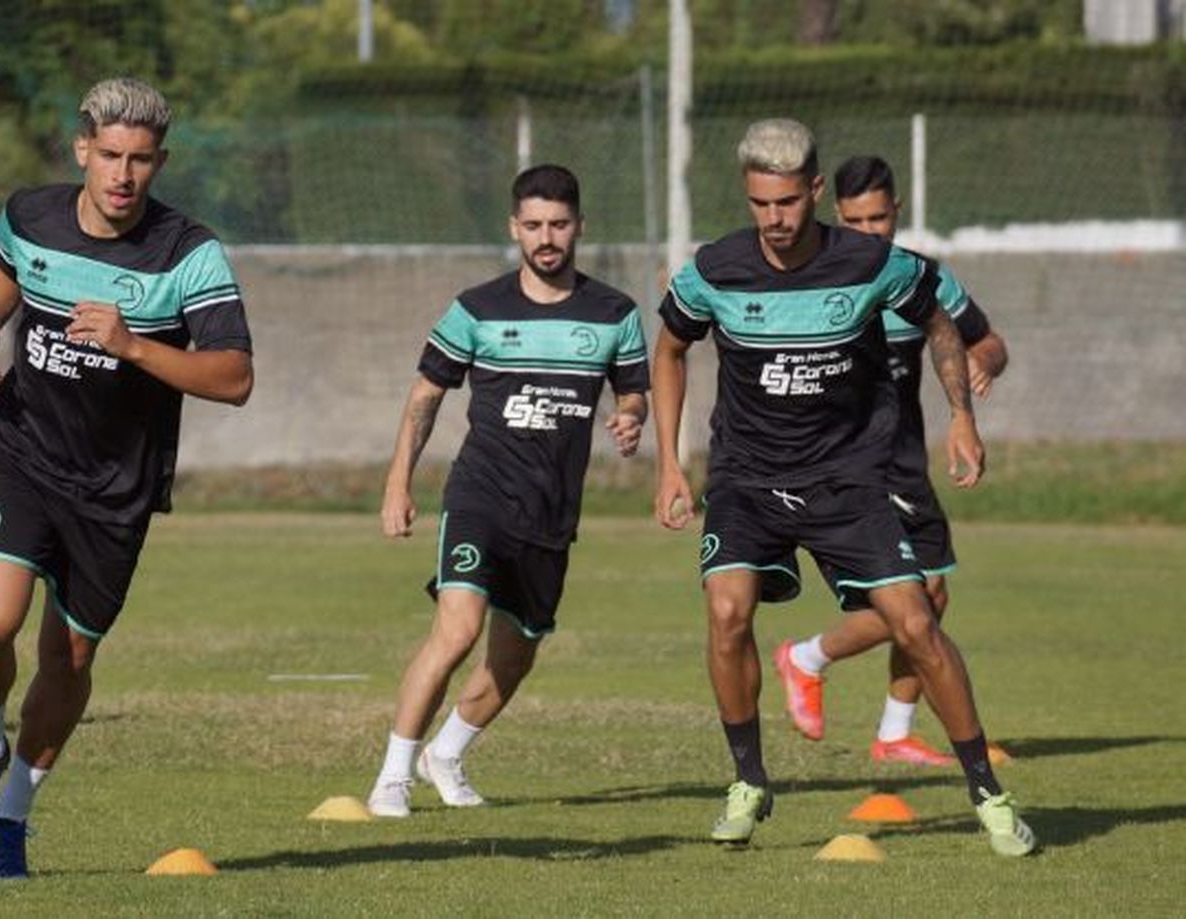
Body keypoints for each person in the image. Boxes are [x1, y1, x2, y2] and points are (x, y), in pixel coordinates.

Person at [651, 119, 1035, 856]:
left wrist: (961, 415)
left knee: (918, 623)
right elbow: (670, 347)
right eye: (762, 204)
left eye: (790, 202)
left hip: (848, 477)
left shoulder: (871, 262)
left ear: (815, 191)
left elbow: (940, 320)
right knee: (727, 611)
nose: (776, 219)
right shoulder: (714, 269)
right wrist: (668, 462)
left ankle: (989, 791)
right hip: (747, 477)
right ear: (747, 196)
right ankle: (748, 780)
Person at [0, 77, 253, 879]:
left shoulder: (189, 253)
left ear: (160, 163)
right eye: (110, 155)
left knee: (67, 662)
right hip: (22, 455)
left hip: (117, 490)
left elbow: (235, 376)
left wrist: (136, 345)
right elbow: (6, 263)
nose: (123, 175)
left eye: (141, 160)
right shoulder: (32, 214)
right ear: (83, 149)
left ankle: (12, 812)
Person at [365, 164, 649, 818]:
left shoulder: (614, 314)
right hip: (479, 497)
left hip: (550, 514)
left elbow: (632, 387)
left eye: (558, 224)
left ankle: (447, 753)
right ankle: (393, 775)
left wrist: (631, 415)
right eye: (533, 225)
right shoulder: (476, 309)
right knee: (457, 628)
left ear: (579, 225)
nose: (546, 237)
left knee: (515, 657)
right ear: (513, 228)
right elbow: (426, 395)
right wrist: (397, 483)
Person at [773, 155, 1010, 767]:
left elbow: (985, 339)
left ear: (897, 211)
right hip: (849, 466)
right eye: (854, 220)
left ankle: (892, 730)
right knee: (916, 599)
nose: (868, 231)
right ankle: (807, 660)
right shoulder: (815, 282)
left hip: (904, 462)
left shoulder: (922, 279)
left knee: (930, 600)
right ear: (835, 215)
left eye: (878, 217)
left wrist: (982, 368)